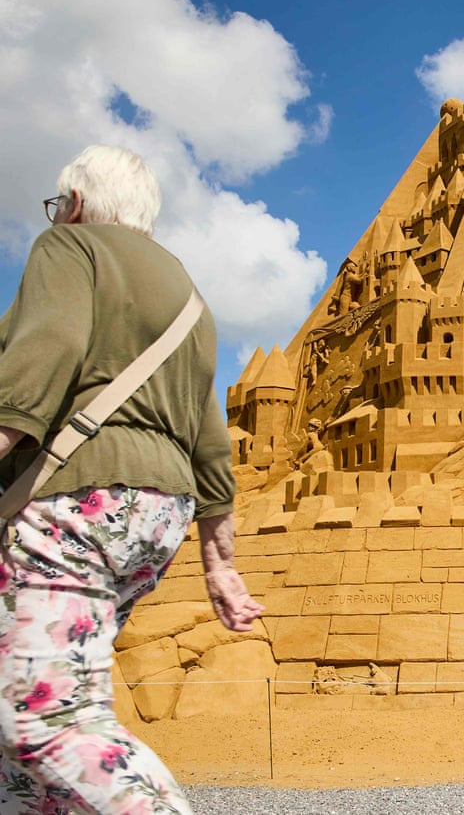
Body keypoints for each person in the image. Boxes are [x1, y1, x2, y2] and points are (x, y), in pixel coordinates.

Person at [0, 146, 264, 814]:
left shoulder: (71, 247)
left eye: (58, 206)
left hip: (76, 505)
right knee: (22, 756)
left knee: (45, 720)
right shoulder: (188, 296)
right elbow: (209, 433)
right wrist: (220, 563)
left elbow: (46, 352)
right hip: (155, 519)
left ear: (75, 204)